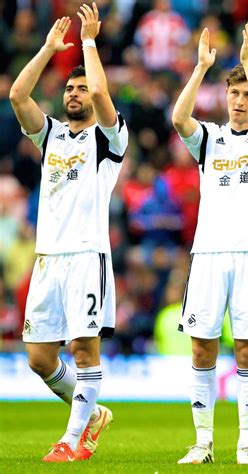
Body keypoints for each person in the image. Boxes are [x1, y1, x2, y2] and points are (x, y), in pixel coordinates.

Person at [9, 3, 128, 462]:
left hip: (85, 255)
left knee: (82, 348)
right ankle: (93, 415)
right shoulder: (52, 135)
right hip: (47, 258)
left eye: (81, 88)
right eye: (70, 88)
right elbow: (19, 95)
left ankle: (71, 438)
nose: (76, 93)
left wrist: (89, 42)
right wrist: (47, 49)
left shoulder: (109, 138)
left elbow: (100, 91)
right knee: (39, 359)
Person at [171, 24, 248, 465]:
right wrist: (201, 67)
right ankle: (203, 443)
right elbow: (179, 119)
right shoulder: (210, 138)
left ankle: (246, 443)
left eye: (247, 94)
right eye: (234, 93)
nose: (239, 101)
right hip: (208, 254)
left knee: (247, 350)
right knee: (202, 347)